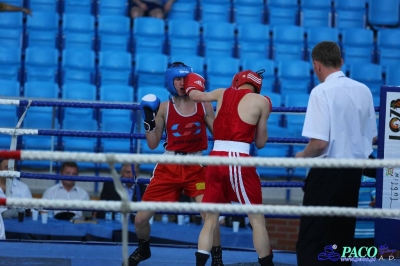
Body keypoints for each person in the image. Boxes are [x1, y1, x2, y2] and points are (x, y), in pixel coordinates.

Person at [127, 62, 223, 266]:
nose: (182, 83)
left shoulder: (203, 104)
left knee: (209, 216)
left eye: (184, 79)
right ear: (170, 81)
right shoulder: (163, 109)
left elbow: (218, 135)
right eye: (177, 79)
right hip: (169, 165)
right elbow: (153, 144)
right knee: (140, 219)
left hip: (196, 166)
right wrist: (147, 119)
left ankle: (217, 259)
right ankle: (144, 248)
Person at [294, 41, 377, 266]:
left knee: (311, 240)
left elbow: (320, 143)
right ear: (341, 62)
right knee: (341, 237)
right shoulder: (364, 90)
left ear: (316, 65)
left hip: (326, 172)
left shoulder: (321, 92)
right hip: (353, 174)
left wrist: (302, 156)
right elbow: (372, 138)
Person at [186, 70, 274, 266]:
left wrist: (192, 81)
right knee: (257, 219)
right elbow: (260, 143)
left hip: (215, 157)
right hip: (238, 158)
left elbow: (194, 95)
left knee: (210, 219)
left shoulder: (222, 92)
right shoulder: (262, 101)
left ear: (237, 81)